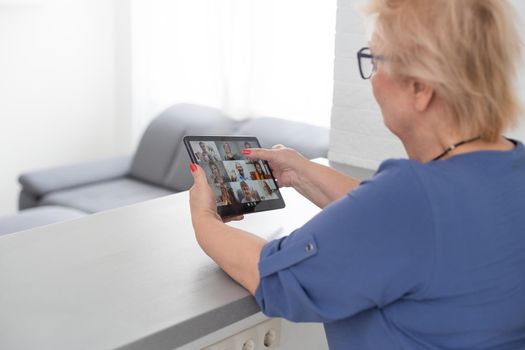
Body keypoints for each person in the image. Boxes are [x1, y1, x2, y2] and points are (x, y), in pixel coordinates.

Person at [188, 0, 525, 348]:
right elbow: (400, 228)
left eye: (376, 60)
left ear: (420, 88)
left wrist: (204, 218)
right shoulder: (511, 169)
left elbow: (278, 279)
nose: (374, 81)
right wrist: (302, 173)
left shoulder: (410, 200)